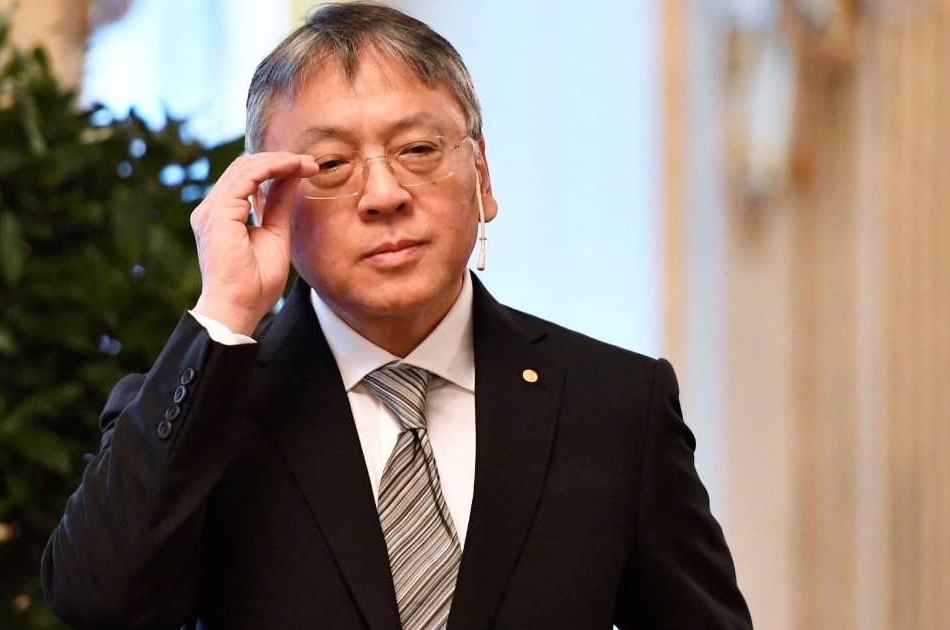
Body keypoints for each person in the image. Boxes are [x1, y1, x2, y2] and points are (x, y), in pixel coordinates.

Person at [41, 3, 752, 628]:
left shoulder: (614, 404)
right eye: (329, 165)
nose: (384, 195)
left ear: (482, 175)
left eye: (417, 150)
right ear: (267, 199)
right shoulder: (206, 408)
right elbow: (99, 601)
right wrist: (227, 307)